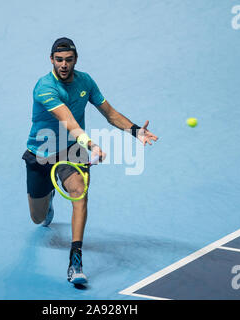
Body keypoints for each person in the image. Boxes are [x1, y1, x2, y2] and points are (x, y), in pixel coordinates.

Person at [22, 37, 158, 284]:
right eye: (59, 60)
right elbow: (69, 122)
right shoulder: (44, 87)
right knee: (37, 217)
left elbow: (110, 114)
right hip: (41, 154)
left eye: (69, 60)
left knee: (79, 193)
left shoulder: (86, 81)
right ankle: (49, 196)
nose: (64, 64)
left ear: (75, 60)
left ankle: (75, 260)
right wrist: (92, 144)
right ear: (51, 60)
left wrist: (136, 131)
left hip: (72, 150)